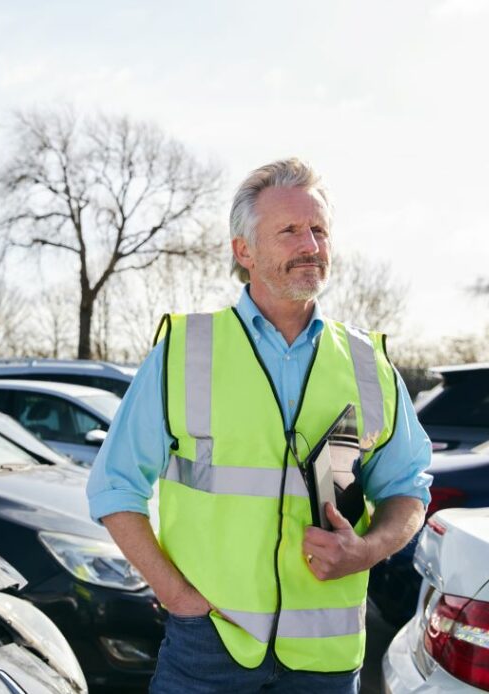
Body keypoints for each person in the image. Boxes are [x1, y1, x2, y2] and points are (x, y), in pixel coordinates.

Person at [86, 158, 432, 693]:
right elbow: (113, 488)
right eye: (290, 230)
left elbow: (409, 489)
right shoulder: (185, 351)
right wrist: (180, 601)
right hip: (210, 645)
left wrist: (369, 548)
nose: (311, 245)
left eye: (319, 230)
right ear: (243, 250)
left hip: (327, 657)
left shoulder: (368, 361)